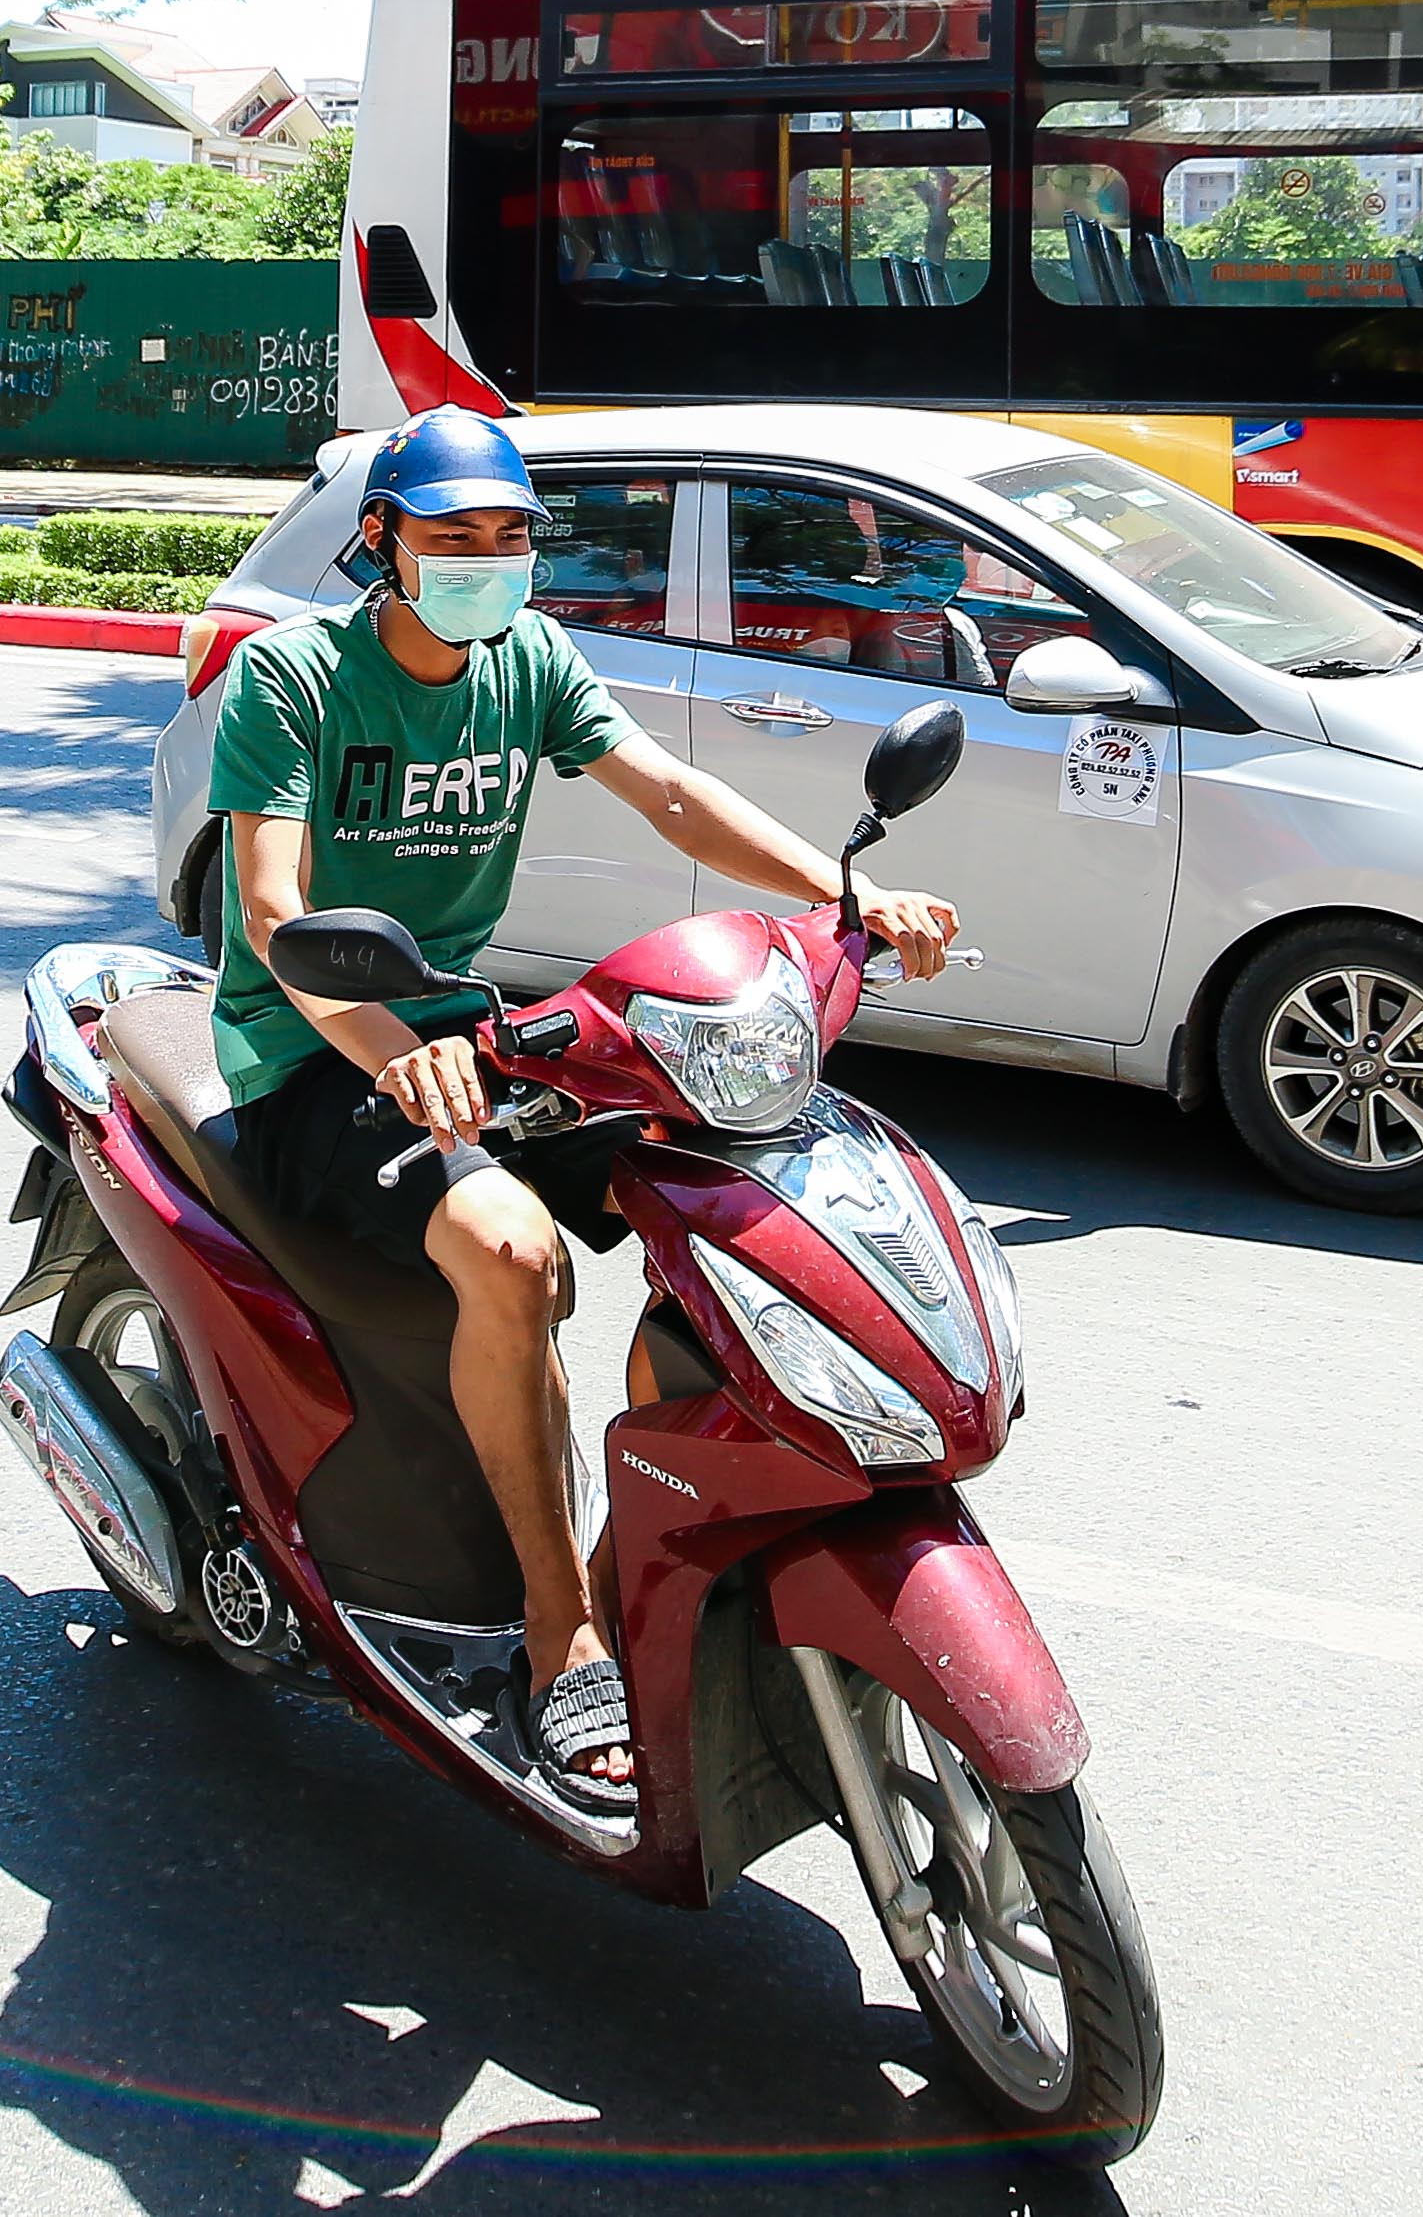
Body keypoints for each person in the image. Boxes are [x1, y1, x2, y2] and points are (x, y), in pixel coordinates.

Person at [210, 408, 961, 1815]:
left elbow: (671, 794)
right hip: (315, 1044)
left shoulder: (529, 660)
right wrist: (384, 1053)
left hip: (466, 1032)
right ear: (381, 544)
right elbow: (273, 911)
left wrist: (838, 898)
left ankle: (644, 1552)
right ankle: (559, 1642)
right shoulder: (294, 679)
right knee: (511, 1252)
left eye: (508, 537)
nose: (488, 563)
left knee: (721, 1204)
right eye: (453, 538)